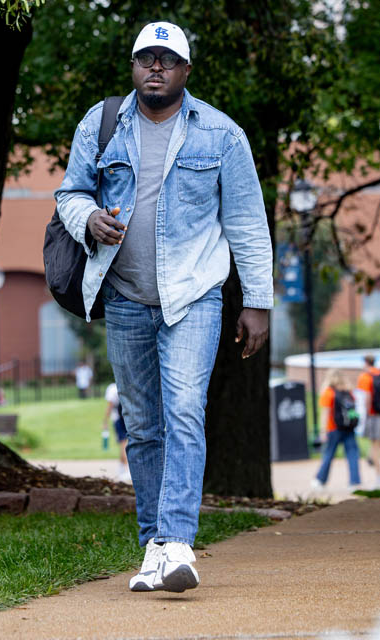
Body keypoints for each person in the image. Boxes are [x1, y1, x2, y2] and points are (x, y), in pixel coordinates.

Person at [54, 21, 272, 594]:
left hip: (194, 295)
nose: (156, 67)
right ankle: (154, 546)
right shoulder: (101, 125)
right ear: (133, 68)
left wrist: (258, 302)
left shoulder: (221, 135)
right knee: (143, 425)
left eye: (167, 60)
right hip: (123, 295)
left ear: (185, 72)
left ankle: (178, 542)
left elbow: (247, 223)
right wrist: (86, 219)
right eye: (146, 58)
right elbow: (70, 193)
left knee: (183, 409)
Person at [311, 370, 362, 489]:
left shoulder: (329, 393)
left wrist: (323, 431)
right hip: (349, 428)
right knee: (352, 454)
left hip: (333, 428)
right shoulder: (349, 392)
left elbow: (325, 413)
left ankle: (320, 479)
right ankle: (355, 481)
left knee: (328, 454)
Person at [356, 356, 380, 489]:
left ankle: (379, 478)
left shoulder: (366, 377)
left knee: (375, 446)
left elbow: (366, 397)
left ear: (366, 363)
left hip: (373, 415)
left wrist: (366, 415)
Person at [103, 381, 130, 483]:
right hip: (125, 418)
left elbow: (109, 406)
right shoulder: (126, 385)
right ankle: (124, 468)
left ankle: (123, 468)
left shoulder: (112, 388)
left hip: (118, 419)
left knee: (123, 444)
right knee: (124, 444)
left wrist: (105, 420)